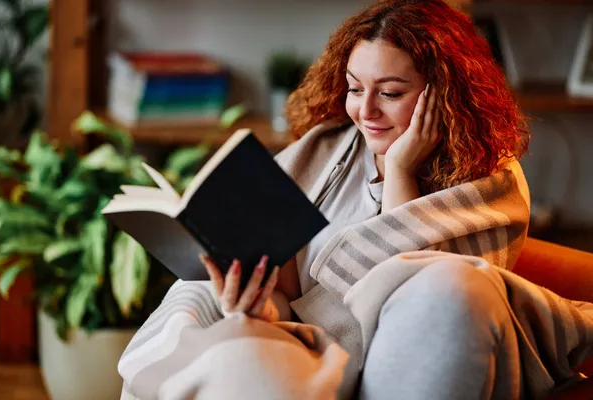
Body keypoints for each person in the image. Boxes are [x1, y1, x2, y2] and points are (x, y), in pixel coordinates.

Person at [120, 1, 580, 399]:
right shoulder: (327, 148)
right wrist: (257, 303)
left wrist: (400, 171)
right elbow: (292, 290)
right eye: (355, 88)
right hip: (288, 336)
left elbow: (413, 300)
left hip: (379, 353)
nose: (366, 111)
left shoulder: (488, 185)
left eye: (391, 93)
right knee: (197, 304)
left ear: (446, 95)